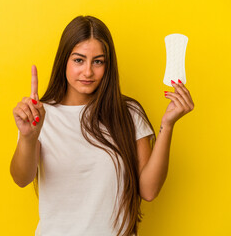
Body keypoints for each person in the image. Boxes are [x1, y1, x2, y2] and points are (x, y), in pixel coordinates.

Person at [10, 15, 194, 236]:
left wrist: (168, 125)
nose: (88, 72)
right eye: (79, 60)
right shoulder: (39, 114)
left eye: (98, 61)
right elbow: (21, 178)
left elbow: (149, 190)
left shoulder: (127, 113)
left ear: (108, 65)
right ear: (64, 61)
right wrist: (29, 137)